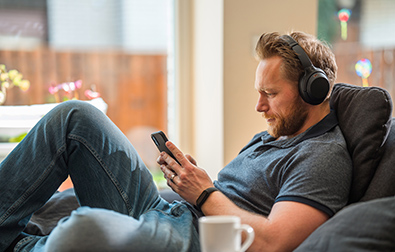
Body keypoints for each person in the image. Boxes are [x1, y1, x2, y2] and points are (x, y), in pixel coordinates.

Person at [0, 31, 352, 252]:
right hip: (175, 214)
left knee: (80, 227)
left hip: (197, 240)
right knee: (76, 118)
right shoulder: (276, 138)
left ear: (313, 90)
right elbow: (236, 201)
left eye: (270, 94)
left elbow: (274, 242)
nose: (259, 106)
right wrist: (194, 181)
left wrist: (204, 194)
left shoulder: (322, 157)